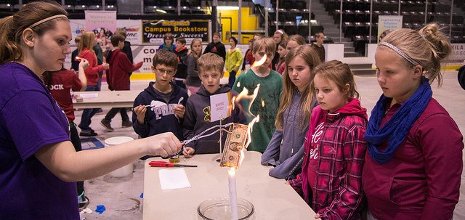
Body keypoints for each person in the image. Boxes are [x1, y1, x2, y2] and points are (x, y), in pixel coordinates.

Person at [0, 2, 181, 219]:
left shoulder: (26, 80)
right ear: (29, 38)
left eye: (68, 42)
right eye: (60, 41)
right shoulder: (21, 88)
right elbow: (67, 165)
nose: (67, 50)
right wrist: (146, 144)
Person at [363, 23, 463, 219]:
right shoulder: (385, 107)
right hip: (374, 211)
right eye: (378, 70)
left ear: (416, 71)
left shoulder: (436, 124)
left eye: (389, 72)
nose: (380, 79)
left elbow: (442, 196)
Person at [289, 60, 368, 219]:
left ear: (345, 89)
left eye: (326, 90)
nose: (319, 95)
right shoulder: (319, 115)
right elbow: (311, 159)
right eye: (317, 90)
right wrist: (297, 184)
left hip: (336, 212)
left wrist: (332, 214)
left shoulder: (354, 127)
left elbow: (354, 186)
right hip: (314, 203)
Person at [261, 45, 321, 179]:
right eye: (290, 69)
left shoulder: (318, 101)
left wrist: (284, 170)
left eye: (300, 69)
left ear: (313, 69)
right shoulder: (289, 95)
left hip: (301, 173)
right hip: (284, 166)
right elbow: (280, 130)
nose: (294, 73)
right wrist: (267, 156)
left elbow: (309, 145)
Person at [43, 59, 89, 210]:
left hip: (46, 126)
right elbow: (82, 85)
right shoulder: (68, 75)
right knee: (78, 163)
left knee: (50, 165)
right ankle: (79, 195)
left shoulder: (38, 76)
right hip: (67, 126)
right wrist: (81, 67)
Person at [183, 53, 246, 156]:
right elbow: (188, 129)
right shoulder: (193, 101)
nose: (210, 80)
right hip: (200, 155)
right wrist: (190, 145)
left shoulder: (233, 97)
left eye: (214, 75)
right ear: (199, 76)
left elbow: (241, 125)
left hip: (228, 155)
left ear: (221, 74)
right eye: (205, 76)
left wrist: (236, 147)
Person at [232, 37, 283, 153]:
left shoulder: (278, 79)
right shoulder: (243, 78)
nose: (265, 58)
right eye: (261, 54)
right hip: (250, 140)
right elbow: (233, 109)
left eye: (269, 55)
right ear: (253, 53)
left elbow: (283, 109)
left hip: (272, 138)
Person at [132, 50, 188, 141]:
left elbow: (188, 127)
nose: (165, 75)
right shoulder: (142, 98)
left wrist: (183, 116)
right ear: (153, 69)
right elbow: (141, 133)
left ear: (174, 72)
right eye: (161, 70)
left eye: (169, 71)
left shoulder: (182, 95)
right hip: (154, 151)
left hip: (178, 148)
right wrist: (140, 120)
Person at [100, 34, 143, 131]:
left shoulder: (111, 54)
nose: (124, 44)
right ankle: (107, 119)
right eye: (123, 42)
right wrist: (139, 64)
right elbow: (130, 68)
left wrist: (110, 82)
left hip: (114, 81)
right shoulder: (121, 55)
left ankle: (125, 120)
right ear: (119, 42)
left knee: (121, 101)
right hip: (122, 82)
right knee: (120, 103)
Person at [77, 31, 109, 136]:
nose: (96, 39)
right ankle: (84, 126)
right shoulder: (88, 53)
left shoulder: (87, 51)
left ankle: (84, 124)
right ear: (90, 40)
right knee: (90, 106)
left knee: (93, 106)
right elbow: (89, 70)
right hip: (90, 83)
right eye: (94, 38)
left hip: (91, 82)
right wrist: (102, 67)